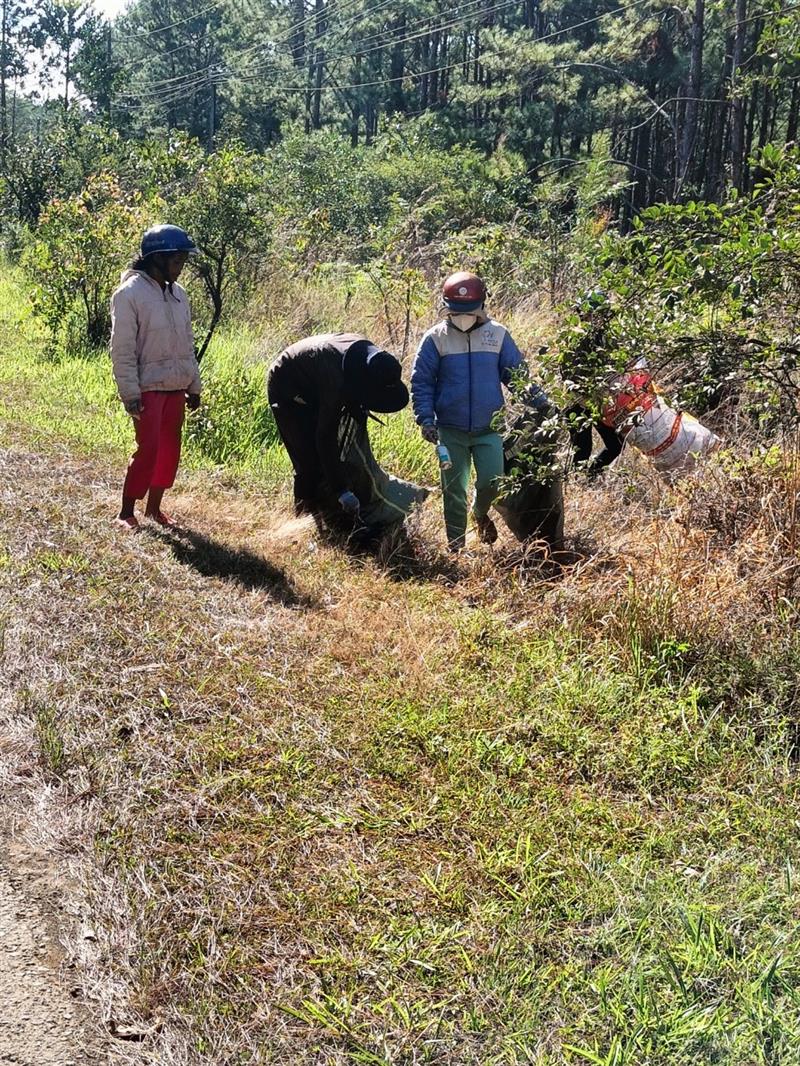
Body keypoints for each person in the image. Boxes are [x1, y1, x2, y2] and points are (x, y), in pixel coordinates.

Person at [410, 271, 549, 552]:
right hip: (450, 429)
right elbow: (421, 381)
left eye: (469, 311)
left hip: (490, 428)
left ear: (482, 307)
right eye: (456, 312)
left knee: (492, 483)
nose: (463, 317)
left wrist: (541, 403)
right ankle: (456, 548)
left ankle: (480, 512)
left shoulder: (497, 335)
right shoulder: (435, 339)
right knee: (453, 492)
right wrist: (425, 419)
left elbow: (517, 376)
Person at [268, 333, 426, 539]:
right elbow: (325, 437)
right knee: (307, 460)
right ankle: (303, 520)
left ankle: (334, 511)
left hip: (315, 383)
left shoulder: (372, 361)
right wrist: (342, 491)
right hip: (287, 388)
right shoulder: (335, 380)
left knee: (344, 456)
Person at [110, 224, 201, 531]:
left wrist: (194, 385)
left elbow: (187, 343)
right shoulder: (129, 295)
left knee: (169, 449)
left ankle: (154, 509)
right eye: (177, 262)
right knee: (147, 448)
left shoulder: (179, 295)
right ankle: (126, 511)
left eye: (183, 262)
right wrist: (130, 394)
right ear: (157, 259)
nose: (181, 269)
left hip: (176, 385)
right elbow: (121, 350)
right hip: (147, 387)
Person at [559, 288, 625, 477]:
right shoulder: (575, 339)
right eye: (590, 314)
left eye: (599, 314)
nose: (594, 318)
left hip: (598, 402)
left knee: (616, 444)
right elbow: (568, 376)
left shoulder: (606, 338)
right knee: (582, 449)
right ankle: (576, 482)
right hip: (577, 402)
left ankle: (590, 476)